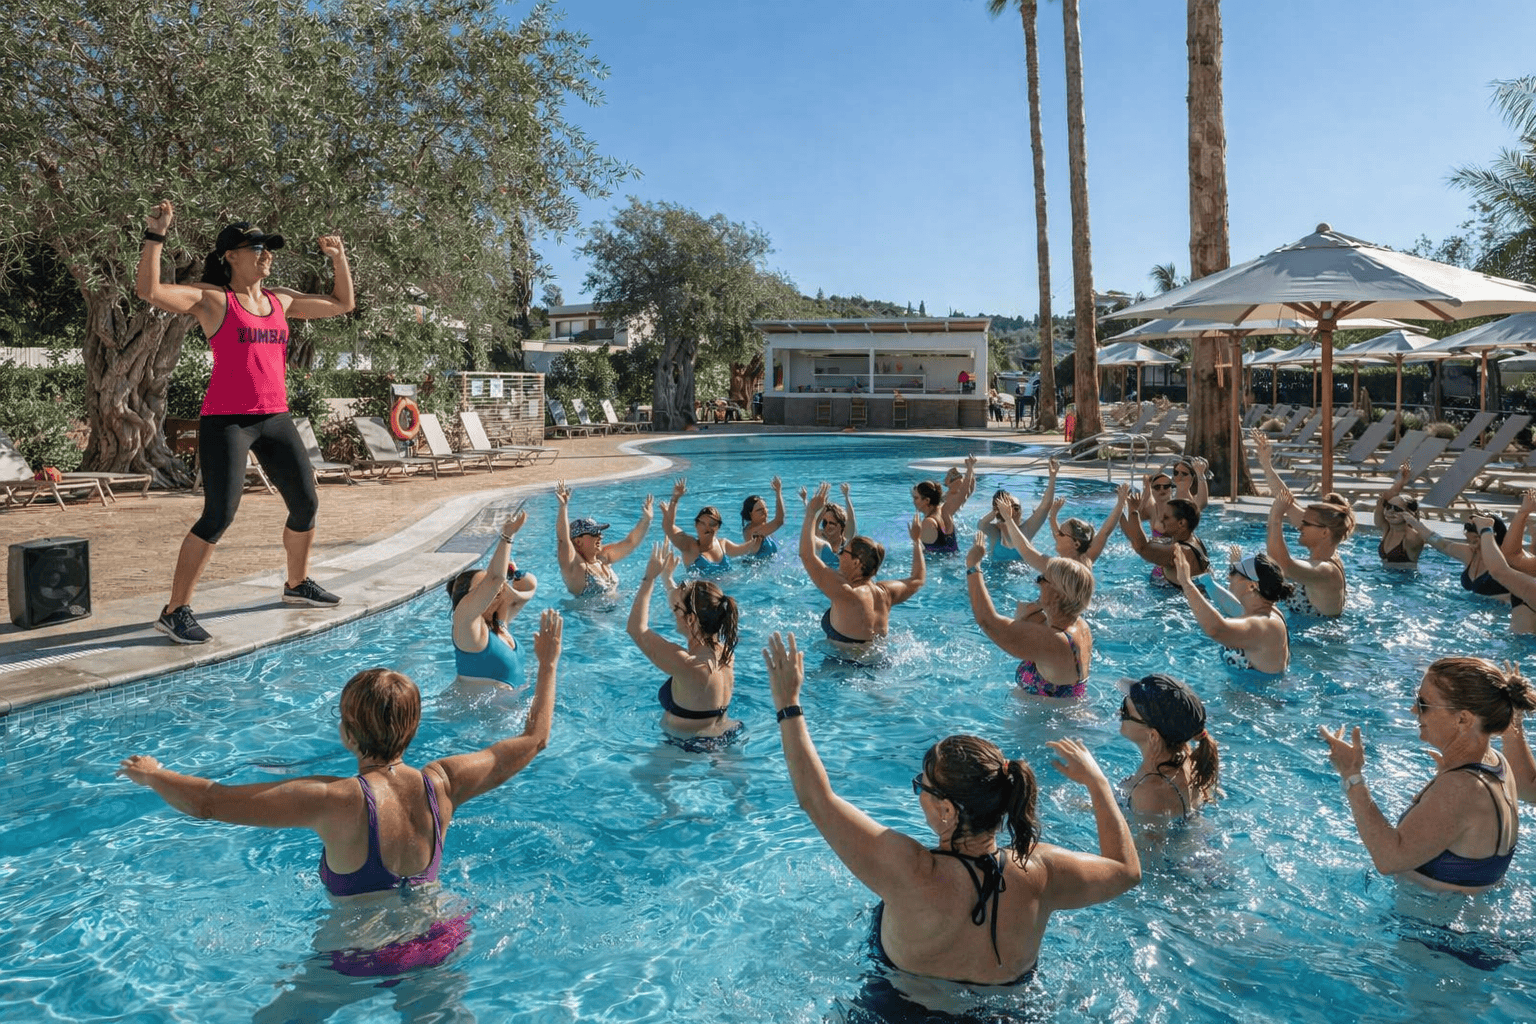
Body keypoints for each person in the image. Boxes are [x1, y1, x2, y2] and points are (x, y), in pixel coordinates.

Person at [118, 609, 563, 974]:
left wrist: (154, 774)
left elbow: (208, 802)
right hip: (438, 936)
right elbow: (534, 740)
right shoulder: (443, 783)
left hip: (359, 949)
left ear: (348, 734)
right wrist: (547, 664)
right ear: (414, 729)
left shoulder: (334, 799)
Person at [763, 631, 1139, 997]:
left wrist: (788, 704)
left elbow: (816, 798)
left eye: (921, 787)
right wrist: (1098, 785)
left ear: (946, 809)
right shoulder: (1041, 873)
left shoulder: (906, 870)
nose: (918, 794)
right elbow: (1126, 871)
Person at [136, 201, 355, 645]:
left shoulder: (282, 301)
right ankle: (174, 610)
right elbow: (150, 291)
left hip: (275, 417)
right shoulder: (214, 299)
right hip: (227, 422)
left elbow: (342, 303)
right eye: (255, 247)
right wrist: (155, 236)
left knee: (306, 504)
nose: (265, 255)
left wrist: (339, 259)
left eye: (268, 248)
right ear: (229, 257)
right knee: (218, 514)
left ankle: (297, 585)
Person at [1319, 656, 1535, 893]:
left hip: (1430, 928)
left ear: (1463, 719)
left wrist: (1352, 775)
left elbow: (1389, 859)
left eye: (1423, 704)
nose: (1413, 710)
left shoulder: (1462, 790)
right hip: (1459, 921)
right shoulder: (1495, 763)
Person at [626, 544, 743, 752]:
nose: (672, 612)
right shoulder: (726, 653)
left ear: (690, 619)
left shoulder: (687, 664)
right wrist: (667, 579)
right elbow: (682, 602)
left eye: (676, 610)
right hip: (725, 735)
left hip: (684, 746)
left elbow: (636, 629)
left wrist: (649, 578)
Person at [800, 482, 925, 660]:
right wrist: (916, 541)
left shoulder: (845, 592)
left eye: (844, 552)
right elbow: (917, 579)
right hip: (881, 663)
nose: (840, 554)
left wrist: (811, 513)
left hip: (843, 669)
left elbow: (805, 555)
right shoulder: (885, 593)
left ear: (857, 563)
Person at [965, 537, 1095, 702]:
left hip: (1049, 725)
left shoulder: (1054, 641)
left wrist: (972, 566)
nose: (1037, 583)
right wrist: (1042, 603)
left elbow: (988, 622)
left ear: (1058, 592)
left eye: (1042, 579)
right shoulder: (1079, 625)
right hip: (1062, 718)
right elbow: (1022, 620)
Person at [446, 513, 538, 693]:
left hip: (505, 713)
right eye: (483, 586)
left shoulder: (500, 622)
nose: (493, 589)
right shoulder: (466, 624)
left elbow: (530, 586)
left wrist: (514, 573)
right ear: (466, 598)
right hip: (474, 718)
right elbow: (495, 579)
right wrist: (507, 536)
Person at [1173, 545, 1291, 674]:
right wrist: (1209, 584)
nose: (1229, 577)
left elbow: (1216, 629)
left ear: (1252, 585)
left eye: (1234, 572)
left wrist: (1186, 584)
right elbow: (1231, 605)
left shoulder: (1265, 624)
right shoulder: (1260, 610)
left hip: (1257, 693)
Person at [1117, 674, 1221, 818]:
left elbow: (1138, 841)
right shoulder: (1186, 759)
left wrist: (1095, 783)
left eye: (1125, 711)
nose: (1118, 713)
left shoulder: (1150, 793)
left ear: (1152, 736)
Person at [553, 482, 654, 598]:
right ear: (578, 541)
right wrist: (563, 507)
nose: (600, 536)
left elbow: (630, 543)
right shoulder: (576, 568)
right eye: (594, 533)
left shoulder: (602, 557)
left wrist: (646, 520)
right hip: (590, 615)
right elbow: (563, 540)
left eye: (600, 532)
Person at [1264, 489, 1353, 618]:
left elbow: (1280, 567)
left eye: (1305, 524)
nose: (1299, 527)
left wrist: (1275, 517)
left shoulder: (1326, 570)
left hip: (1320, 636)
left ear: (1325, 532)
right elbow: (1288, 504)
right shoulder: (1328, 553)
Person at [661, 476, 761, 574]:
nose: (707, 528)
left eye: (712, 524)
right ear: (696, 525)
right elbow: (669, 528)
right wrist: (675, 499)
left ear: (718, 527)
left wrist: (754, 541)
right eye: (703, 523)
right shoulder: (690, 547)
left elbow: (742, 549)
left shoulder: (723, 544)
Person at [1120, 486, 1211, 588]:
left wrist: (1134, 510)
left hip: (1177, 601)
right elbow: (1135, 538)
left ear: (1181, 523)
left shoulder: (1179, 552)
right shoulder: (1195, 541)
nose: (1161, 520)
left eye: (1166, 517)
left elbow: (1142, 547)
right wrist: (1120, 509)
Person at [1466, 513, 1536, 634]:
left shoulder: (1532, 589)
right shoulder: (1529, 583)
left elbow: (1499, 570)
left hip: (1523, 646)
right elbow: (1512, 555)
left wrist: (1486, 529)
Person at [1373, 464, 1424, 567]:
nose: (1390, 511)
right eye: (1388, 507)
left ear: (1409, 513)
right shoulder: (1386, 528)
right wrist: (1401, 482)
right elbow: (1383, 499)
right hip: (1384, 578)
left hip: (1406, 581)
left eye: (1396, 509)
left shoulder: (1412, 537)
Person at [801, 482, 858, 569]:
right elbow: (810, 523)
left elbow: (851, 519)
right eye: (825, 522)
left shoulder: (846, 539)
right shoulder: (821, 536)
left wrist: (846, 497)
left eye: (831, 523)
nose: (827, 526)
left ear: (841, 525)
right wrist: (805, 501)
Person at [739, 476, 787, 558]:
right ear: (750, 514)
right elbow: (779, 521)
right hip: (753, 569)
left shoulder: (764, 528)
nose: (765, 511)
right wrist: (778, 492)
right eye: (759, 510)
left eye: (765, 508)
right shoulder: (752, 532)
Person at [913, 479, 960, 555]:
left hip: (938, 565)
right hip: (954, 559)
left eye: (916, 498)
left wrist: (915, 539)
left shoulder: (928, 523)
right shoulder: (944, 511)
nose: (914, 501)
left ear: (927, 500)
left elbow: (921, 553)